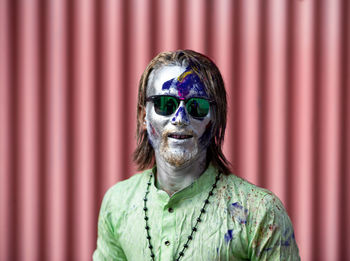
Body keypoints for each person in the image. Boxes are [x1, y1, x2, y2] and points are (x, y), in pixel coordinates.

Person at [93, 50, 300, 260]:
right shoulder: (118, 204)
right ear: (143, 117)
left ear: (215, 119)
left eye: (197, 107)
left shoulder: (261, 212)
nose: (180, 118)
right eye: (165, 104)